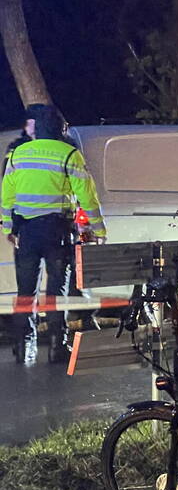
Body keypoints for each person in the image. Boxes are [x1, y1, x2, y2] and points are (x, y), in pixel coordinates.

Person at [1, 104, 106, 363]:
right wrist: (98, 228)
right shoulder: (69, 154)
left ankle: (24, 347)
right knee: (57, 292)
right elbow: (87, 196)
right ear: (61, 129)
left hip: (26, 232)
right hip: (57, 232)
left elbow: (7, 196)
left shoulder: (18, 154)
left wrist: (8, 228)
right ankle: (58, 346)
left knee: (26, 291)